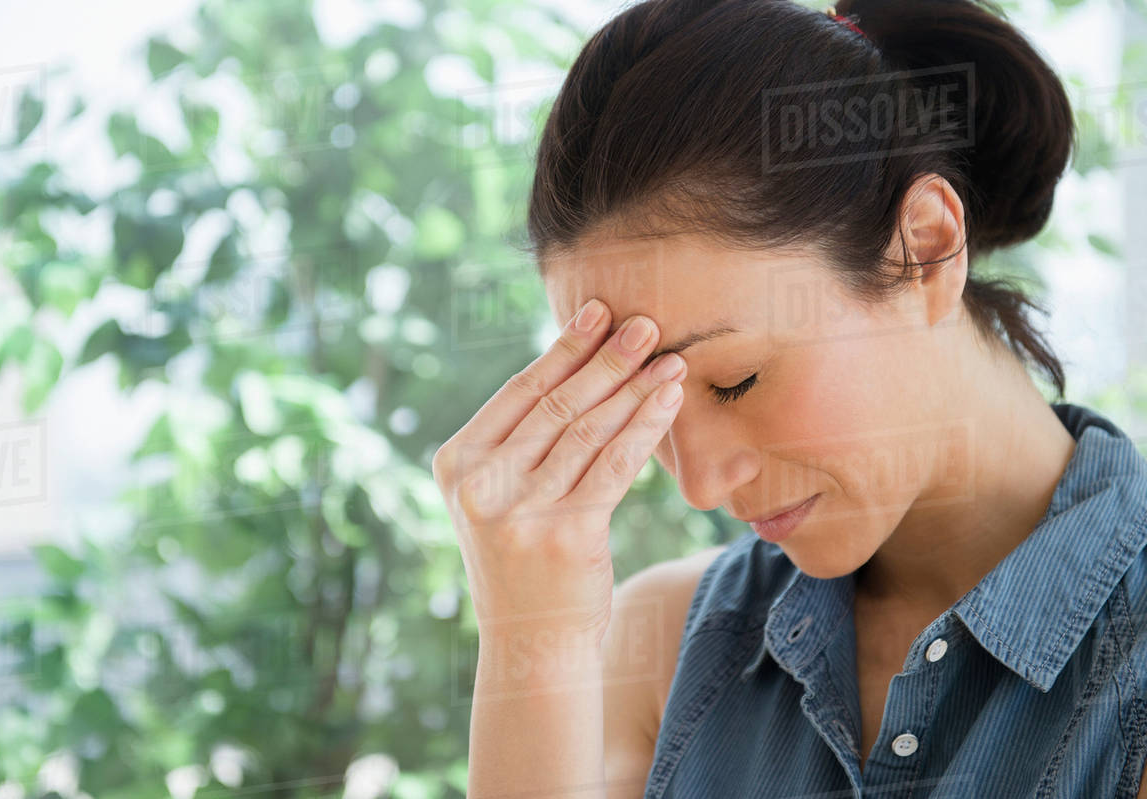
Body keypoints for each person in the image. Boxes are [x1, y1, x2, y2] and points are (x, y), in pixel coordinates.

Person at [431, 0, 1147, 796]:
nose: (700, 484)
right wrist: (535, 638)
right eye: (647, 404)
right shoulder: (664, 649)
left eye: (735, 380)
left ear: (928, 248)